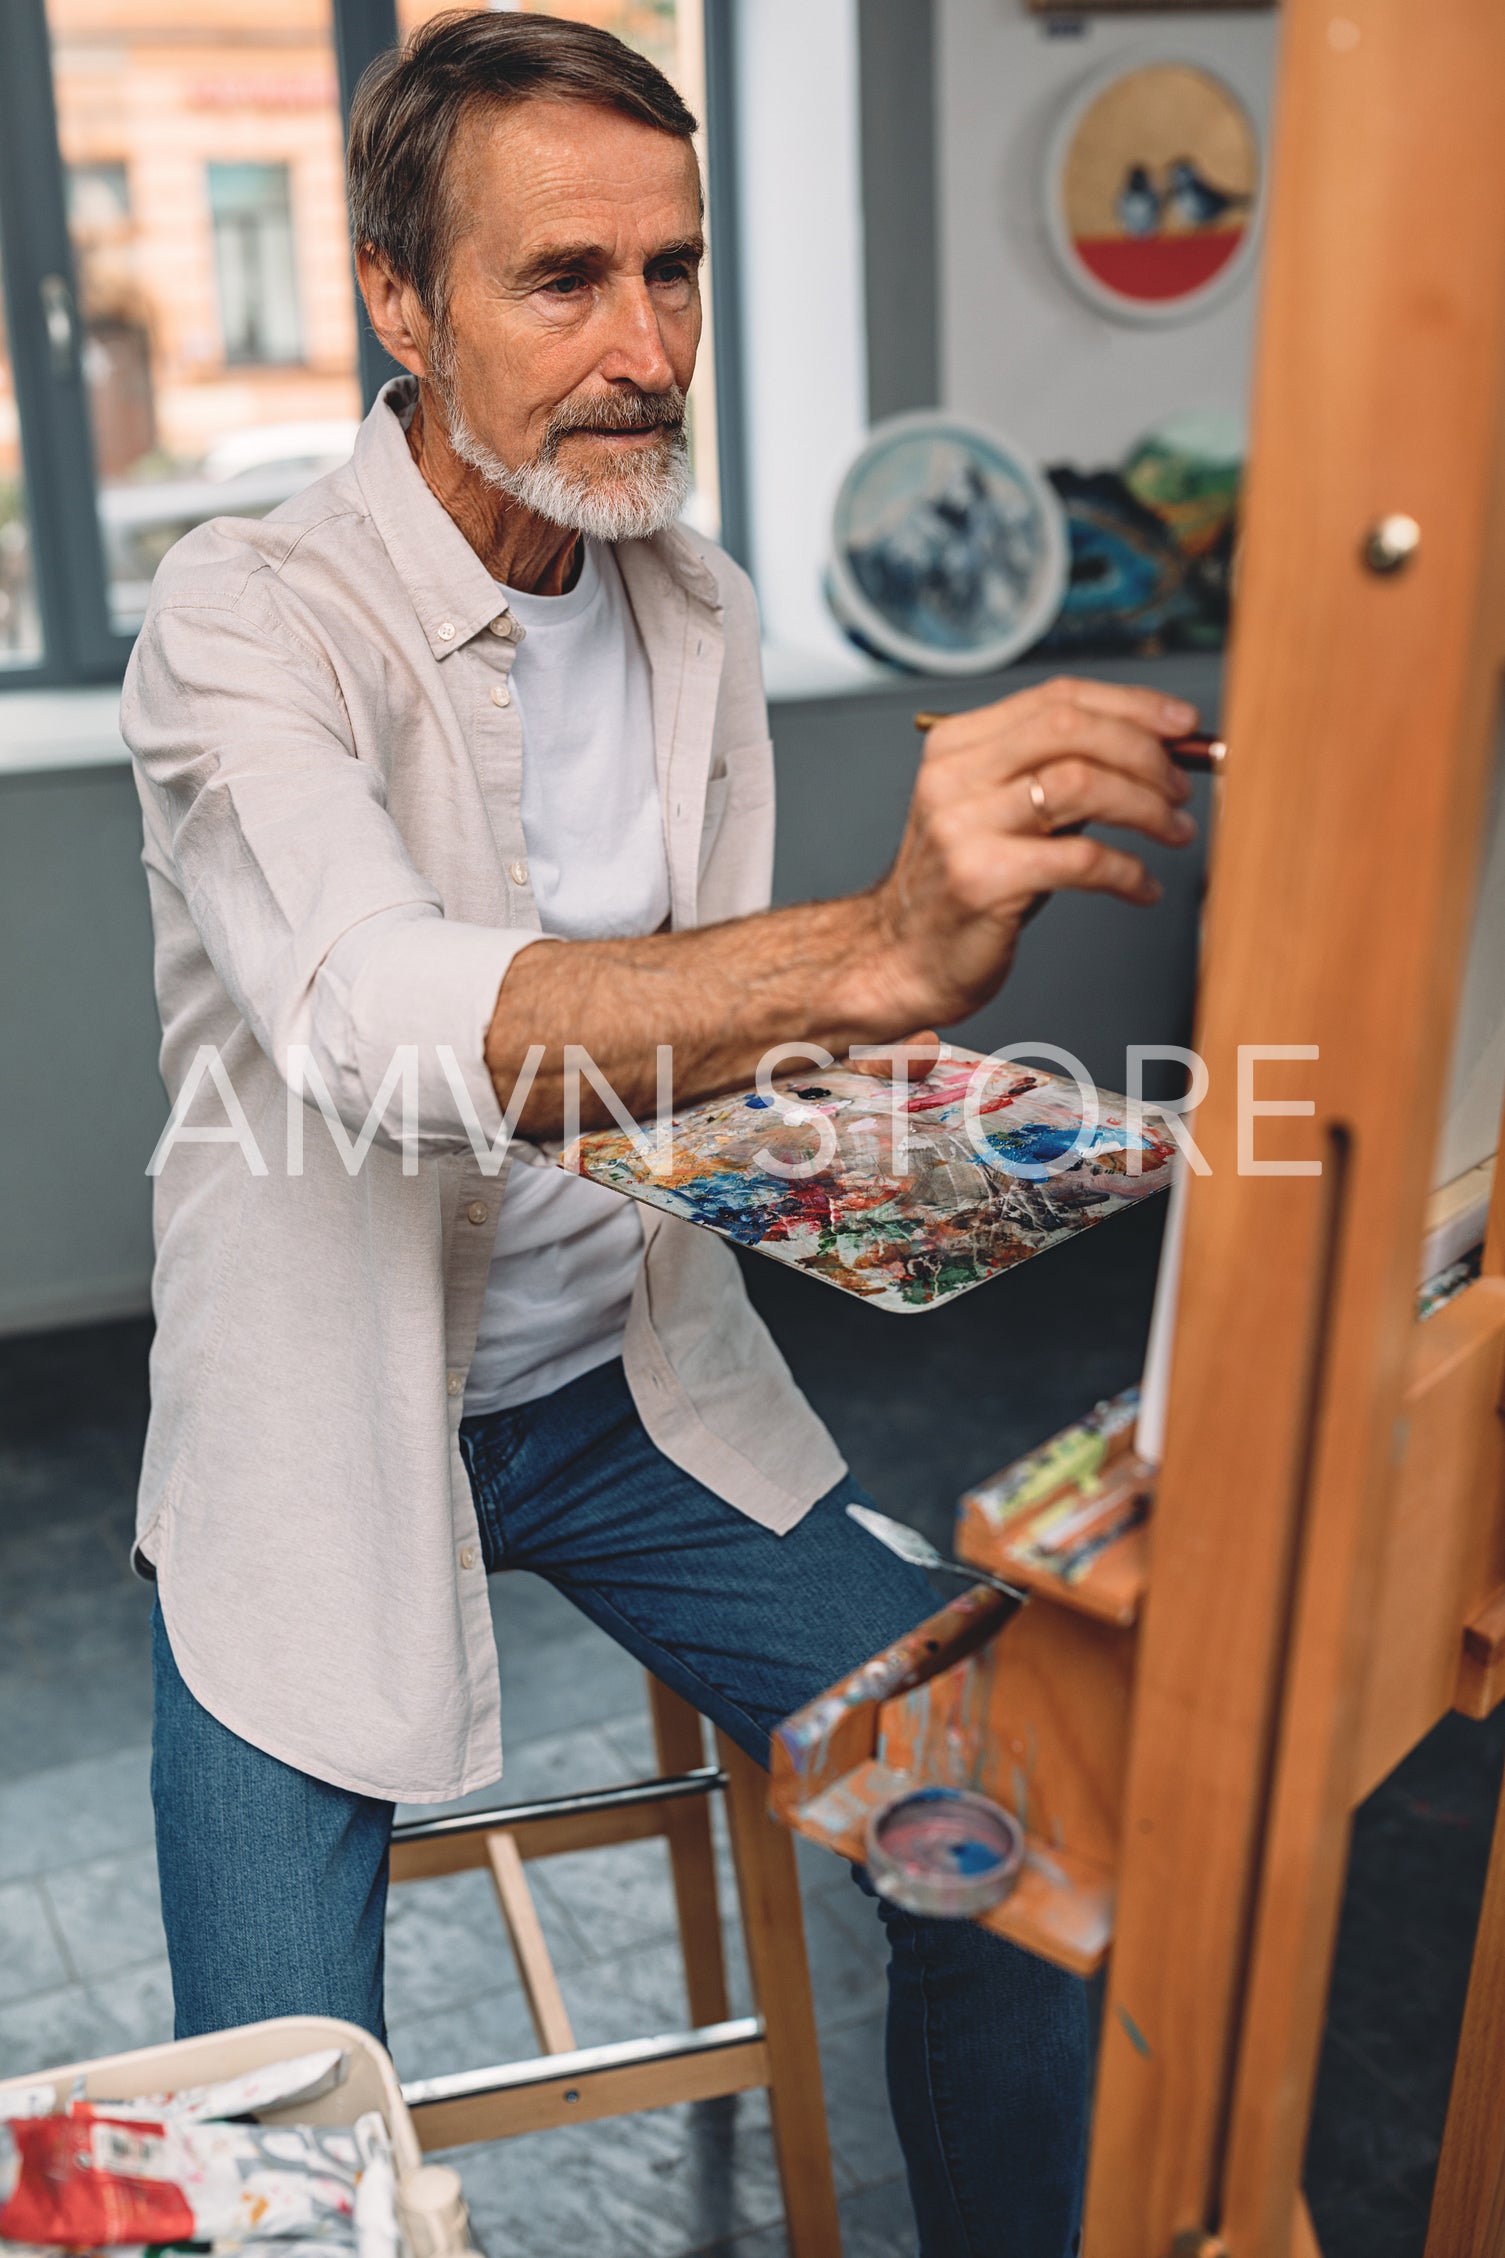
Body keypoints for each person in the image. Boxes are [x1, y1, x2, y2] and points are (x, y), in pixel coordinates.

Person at [122, 14, 1197, 2254]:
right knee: (273, 2152)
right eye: (563, 280)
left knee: (1027, 1834)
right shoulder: (243, 619)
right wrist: (873, 956)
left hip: (631, 1404)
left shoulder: (688, 604)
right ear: (402, 304)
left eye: (677, 270)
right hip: (314, 1443)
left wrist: (954, 1106)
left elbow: (708, 1041)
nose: (645, 347)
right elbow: (364, 1008)